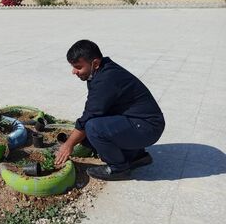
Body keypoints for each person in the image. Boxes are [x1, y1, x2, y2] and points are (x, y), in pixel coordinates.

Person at [55, 40, 165, 180]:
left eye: (78, 67)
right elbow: (96, 109)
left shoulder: (106, 79)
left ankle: (118, 169)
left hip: (148, 127)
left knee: (93, 128)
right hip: (141, 122)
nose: (74, 71)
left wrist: (68, 145)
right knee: (88, 135)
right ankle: (137, 156)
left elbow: (89, 116)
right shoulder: (100, 71)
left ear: (95, 63)